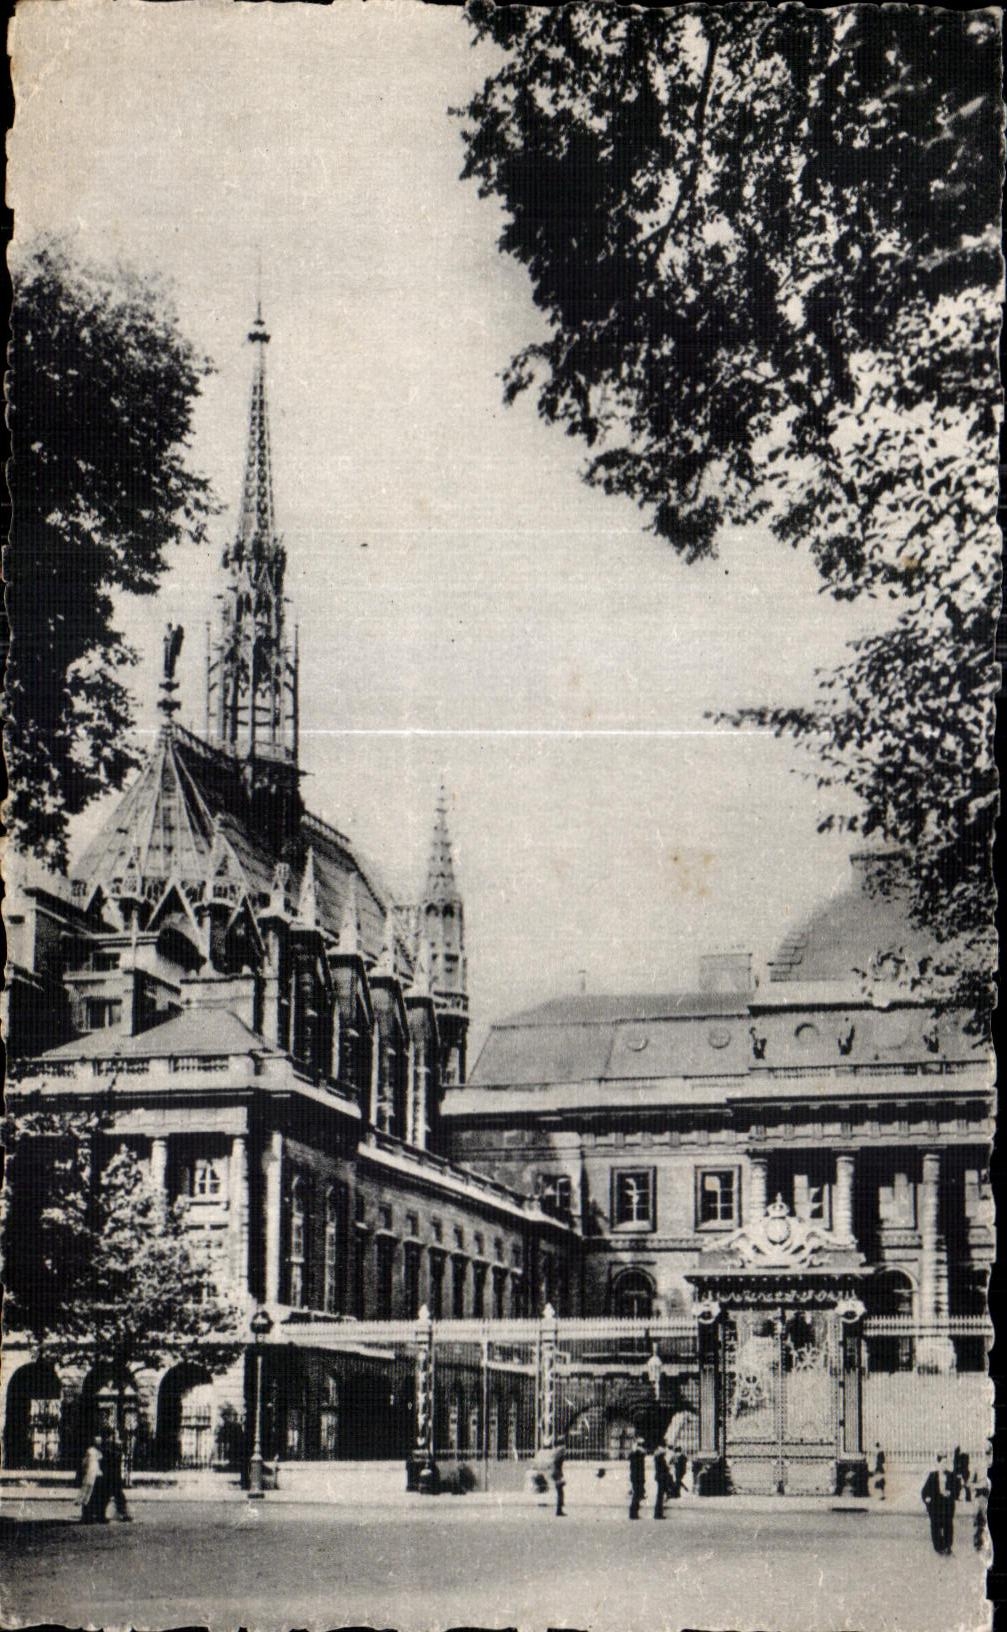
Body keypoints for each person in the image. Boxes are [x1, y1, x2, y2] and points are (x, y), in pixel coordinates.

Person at [921, 1452, 956, 1555]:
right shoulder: (933, 1476)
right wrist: (927, 1499)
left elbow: (957, 1489)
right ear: (939, 1463)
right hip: (936, 1505)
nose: (945, 1465)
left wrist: (950, 1492)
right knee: (935, 1526)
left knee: (948, 1526)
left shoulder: (951, 1475)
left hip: (947, 1504)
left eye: (947, 1462)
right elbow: (924, 1491)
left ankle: (948, 1546)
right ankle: (939, 1547)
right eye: (943, 1463)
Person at [101, 1432, 132, 1522]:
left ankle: (104, 1515)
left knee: (110, 1496)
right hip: (114, 1477)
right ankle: (124, 1514)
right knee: (116, 1497)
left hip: (111, 1477)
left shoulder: (108, 1451)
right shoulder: (114, 1451)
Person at [80, 1438, 104, 1525]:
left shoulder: (95, 1452)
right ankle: (87, 1516)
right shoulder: (92, 1451)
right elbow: (85, 1463)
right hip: (91, 1475)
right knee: (89, 1495)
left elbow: (84, 1463)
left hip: (94, 1474)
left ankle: (88, 1515)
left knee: (90, 1495)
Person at [628, 1434, 646, 1520]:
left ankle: (634, 1513)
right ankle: (633, 1513)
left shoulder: (635, 1454)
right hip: (638, 1477)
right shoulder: (638, 1454)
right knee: (637, 1495)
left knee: (637, 1495)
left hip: (636, 1477)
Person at [653, 1440, 671, 1519]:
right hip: (662, 1477)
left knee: (660, 1495)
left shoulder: (658, 1456)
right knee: (660, 1496)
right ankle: (658, 1514)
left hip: (660, 1477)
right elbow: (663, 1468)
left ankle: (658, 1513)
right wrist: (668, 1467)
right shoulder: (660, 1457)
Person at [551, 1441, 567, 1517]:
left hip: (556, 1474)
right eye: (563, 1448)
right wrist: (560, 1477)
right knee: (560, 1493)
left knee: (560, 1492)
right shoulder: (558, 1456)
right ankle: (559, 1510)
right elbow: (557, 1466)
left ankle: (559, 1509)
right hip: (557, 1474)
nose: (564, 1450)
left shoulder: (557, 1454)